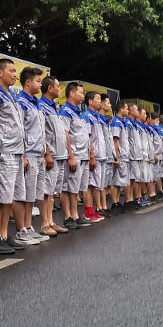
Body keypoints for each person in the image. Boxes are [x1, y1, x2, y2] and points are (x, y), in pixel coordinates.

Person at [0, 58, 28, 253]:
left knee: (8, 197)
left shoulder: (10, 95)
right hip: (2, 152)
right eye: (10, 70)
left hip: (15, 151)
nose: (14, 74)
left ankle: (4, 234)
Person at [15, 67, 50, 244]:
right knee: (26, 194)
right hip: (28, 153)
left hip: (39, 153)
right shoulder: (20, 101)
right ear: (28, 82)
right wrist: (22, 155)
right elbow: (19, 129)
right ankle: (22, 229)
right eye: (37, 81)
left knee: (34, 195)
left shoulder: (36, 103)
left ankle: (29, 226)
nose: (40, 84)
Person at [37, 76, 69, 235]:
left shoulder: (53, 106)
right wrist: (47, 153)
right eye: (57, 86)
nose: (59, 89)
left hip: (60, 155)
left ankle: (50, 221)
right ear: (50, 88)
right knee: (46, 191)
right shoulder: (42, 105)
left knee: (52, 193)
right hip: (52, 155)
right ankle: (44, 224)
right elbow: (42, 132)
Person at [59, 82, 92, 227]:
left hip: (83, 155)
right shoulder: (66, 111)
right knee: (68, 187)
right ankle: (68, 216)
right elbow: (65, 134)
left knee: (77, 188)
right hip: (74, 155)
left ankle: (76, 215)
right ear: (71, 93)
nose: (83, 95)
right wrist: (71, 156)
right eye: (81, 92)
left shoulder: (80, 113)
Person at [82, 91, 106, 222]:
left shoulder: (97, 117)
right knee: (89, 185)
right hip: (94, 156)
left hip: (100, 156)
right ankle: (88, 211)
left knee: (95, 184)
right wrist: (91, 155)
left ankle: (93, 211)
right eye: (98, 99)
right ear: (90, 101)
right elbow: (88, 137)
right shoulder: (86, 116)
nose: (100, 102)